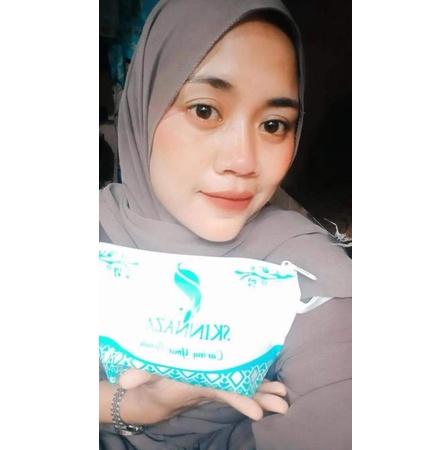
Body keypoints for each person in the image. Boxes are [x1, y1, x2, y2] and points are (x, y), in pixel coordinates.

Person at [99, 0, 352, 449]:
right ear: (144, 106)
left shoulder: (303, 268)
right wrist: (132, 406)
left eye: (273, 124)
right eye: (205, 111)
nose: (243, 161)